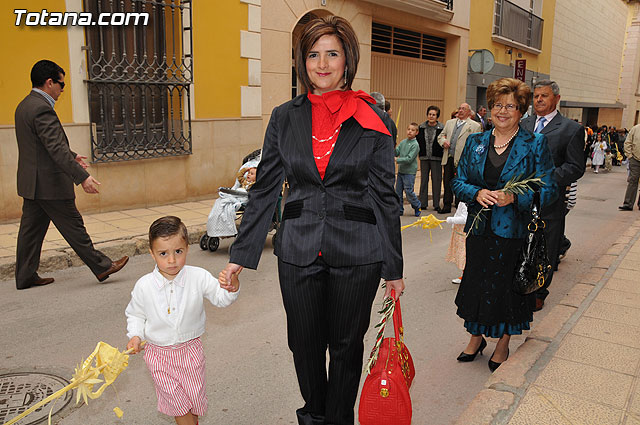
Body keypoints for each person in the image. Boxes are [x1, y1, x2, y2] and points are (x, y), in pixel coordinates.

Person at [221, 16, 404, 425]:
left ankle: (337, 419)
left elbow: (385, 197)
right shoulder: (284, 117)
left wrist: (394, 268)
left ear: (347, 59)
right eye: (312, 55)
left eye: (332, 54)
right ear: (302, 62)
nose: (322, 64)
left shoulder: (373, 119)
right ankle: (315, 415)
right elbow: (265, 189)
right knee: (303, 345)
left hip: (358, 250)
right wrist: (240, 255)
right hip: (298, 246)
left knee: (345, 346)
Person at [452, 77, 557, 372]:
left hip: (513, 233)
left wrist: (516, 196)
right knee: (477, 285)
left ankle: (502, 344)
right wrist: (476, 192)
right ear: (489, 108)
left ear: (521, 110)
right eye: (497, 104)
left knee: (505, 291)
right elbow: (458, 181)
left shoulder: (535, 144)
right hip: (479, 230)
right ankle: (476, 338)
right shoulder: (475, 142)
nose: (503, 111)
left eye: (510, 106)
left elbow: (549, 190)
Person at [14, 59, 128, 290]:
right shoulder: (41, 108)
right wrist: (82, 177)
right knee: (74, 226)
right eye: (61, 85)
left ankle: (25, 276)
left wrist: (72, 155)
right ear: (49, 83)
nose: (62, 90)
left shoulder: (25, 105)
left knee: (30, 232)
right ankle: (102, 266)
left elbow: (42, 146)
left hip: (33, 183)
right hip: (49, 183)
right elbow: (54, 147)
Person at [126, 216, 240, 425]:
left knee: (192, 402)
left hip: (191, 352)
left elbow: (221, 299)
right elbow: (135, 314)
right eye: (163, 254)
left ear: (187, 248)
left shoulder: (198, 277)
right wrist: (135, 335)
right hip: (159, 356)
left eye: (178, 252)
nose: (171, 260)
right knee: (178, 405)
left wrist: (232, 285)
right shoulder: (144, 286)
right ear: (152, 254)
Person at [521, 80, 585, 311]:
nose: (538, 100)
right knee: (521, 244)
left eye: (544, 96)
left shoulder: (571, 129)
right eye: (536, 96)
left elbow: (576, 167)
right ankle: (520, 285)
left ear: (556, 99)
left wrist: (546, 178)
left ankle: (539, 291)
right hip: (521, 199)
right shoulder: (523, 124)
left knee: (544, 248)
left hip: (550, 201)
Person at [437, 103, 482, 214]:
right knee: (447, 181)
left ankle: (459, 205)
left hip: (463, 160)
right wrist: (443, 142)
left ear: (469, 112)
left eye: (463, 109)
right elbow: (441, 136)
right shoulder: (450, 123)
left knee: (460, 182)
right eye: (460, 108)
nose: (460, 111)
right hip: (449, 157)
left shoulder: (474, 126)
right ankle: (446, 205)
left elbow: (477, 144)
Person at [416, 105, 444, 211]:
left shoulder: (442, 128)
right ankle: (422, 203)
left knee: (436, 180)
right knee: (424, 180)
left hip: (436, 157)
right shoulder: (421, 127)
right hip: (424, 157)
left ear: (437, 116)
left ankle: (436, 204)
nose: (431, 116)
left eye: (434, 115)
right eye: (430, 114)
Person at [395, 123, 421, 216]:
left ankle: (417, 205)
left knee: (409, 191)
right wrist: (393, 146)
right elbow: (396, 152)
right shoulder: (403, 142)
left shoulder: (415, 145)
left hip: (409, 172)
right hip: (401, 171)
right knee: (398, 192)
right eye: (409, 129)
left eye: (413, 130)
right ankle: (399, 209)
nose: (410, 131)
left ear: (416, 132)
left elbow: (409, 159)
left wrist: (397, 160)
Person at [445, 201, 467, 284]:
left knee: (463, 255)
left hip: (463, 233)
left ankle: (466, 276)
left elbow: (465, 218)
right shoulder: (463, 201)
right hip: (459, 232)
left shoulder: (466, 202)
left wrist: (450, 220)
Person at [619, 123, 640, 211]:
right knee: (633, 181)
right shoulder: (635, 129)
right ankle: (628, 203)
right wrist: (630, 156)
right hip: (635, 159)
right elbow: (627, 143)